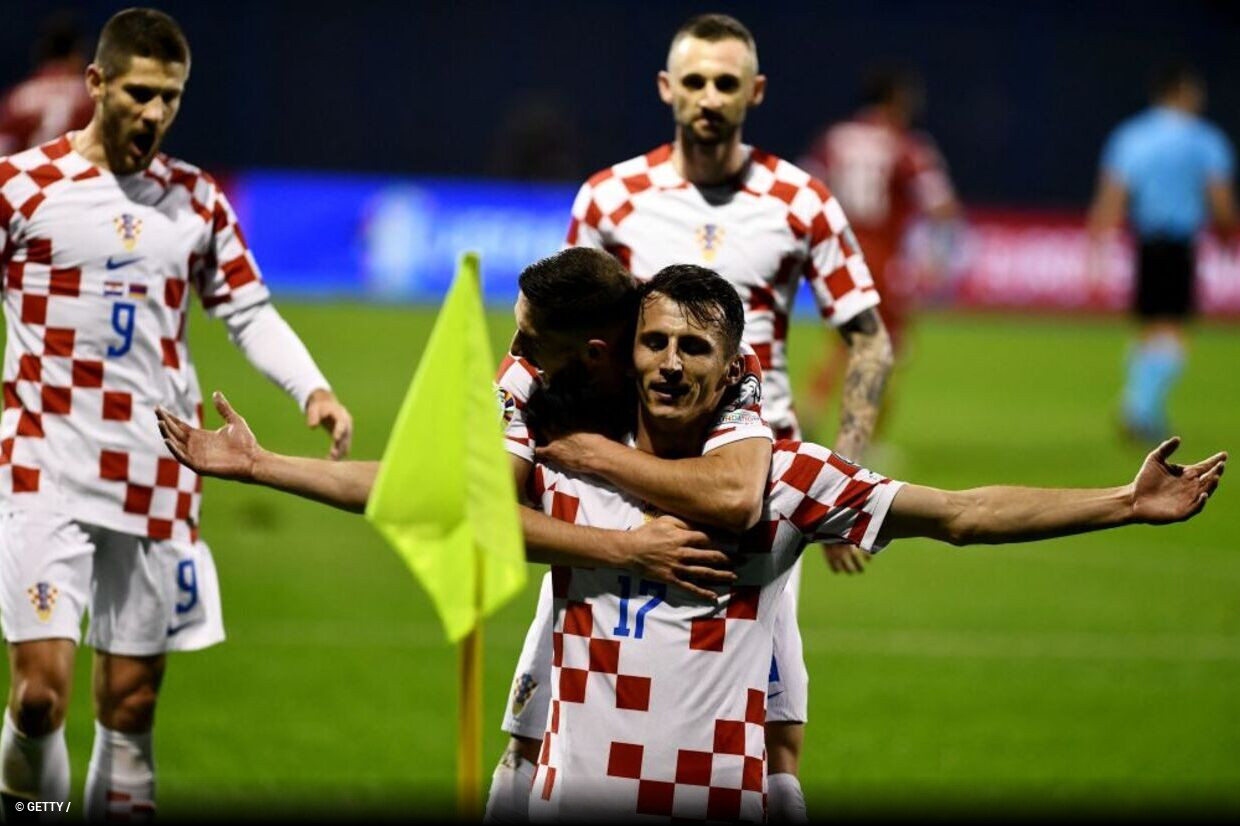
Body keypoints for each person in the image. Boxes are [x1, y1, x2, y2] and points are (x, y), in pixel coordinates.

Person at [156, 264, 1224, 822]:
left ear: (729, 370)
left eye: (695, 349)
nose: (671, 362)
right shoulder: (567, 448)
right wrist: (260, 466)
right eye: (656, 341)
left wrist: (1119, 505)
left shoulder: (785, 478)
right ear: (629, 350)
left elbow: (958, 514)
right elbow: (425, 495)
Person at [0, 9, 353, 820]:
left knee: (129, 708)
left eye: (171, 97)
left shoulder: (196, 202)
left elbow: (249, 311)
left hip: (160, 473)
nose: (155, 114)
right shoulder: (22, 188)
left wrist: (314, 390)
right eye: (139, 93)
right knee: (38, 700)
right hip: (43, 465)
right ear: (97, 83)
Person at [552, 15, 897, 817]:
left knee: (774, 730)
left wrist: (843, 479)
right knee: (551, 705)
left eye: (726, 83)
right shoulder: (610, 198)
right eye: (696, 81)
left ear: (756, 92)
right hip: (626, 477)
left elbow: (869, 341)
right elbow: (569, 338)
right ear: (668, 88)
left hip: (757, 486)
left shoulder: (801, 199)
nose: (710, 98)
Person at [798, 65, 960, 439]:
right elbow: (941, 205)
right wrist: (939, 254)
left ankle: (815, 403)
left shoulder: (836, 138)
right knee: (887, 346)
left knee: (847, 338)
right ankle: (864, 434)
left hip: (837, 252)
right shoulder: (906, 143)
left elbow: (804, 187)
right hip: (882, 259)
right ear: (897, 99)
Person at [1087, 61, 1237, 443]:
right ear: (1184, 90)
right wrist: (1226, 236)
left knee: (1149, 329)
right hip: (1180, 243)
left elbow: (1113, 195)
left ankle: (1144, 410)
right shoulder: (1204, 139)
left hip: (1146, 243)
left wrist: (1099, 244)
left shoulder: (1132, 136)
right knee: (1173, 331)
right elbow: (1219, 198)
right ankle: (1137, 408)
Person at [0, 13, 94, 157]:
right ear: (77, 54)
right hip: (73, 175)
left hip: (21, 176)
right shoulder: (91, 94)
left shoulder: (17, 97)